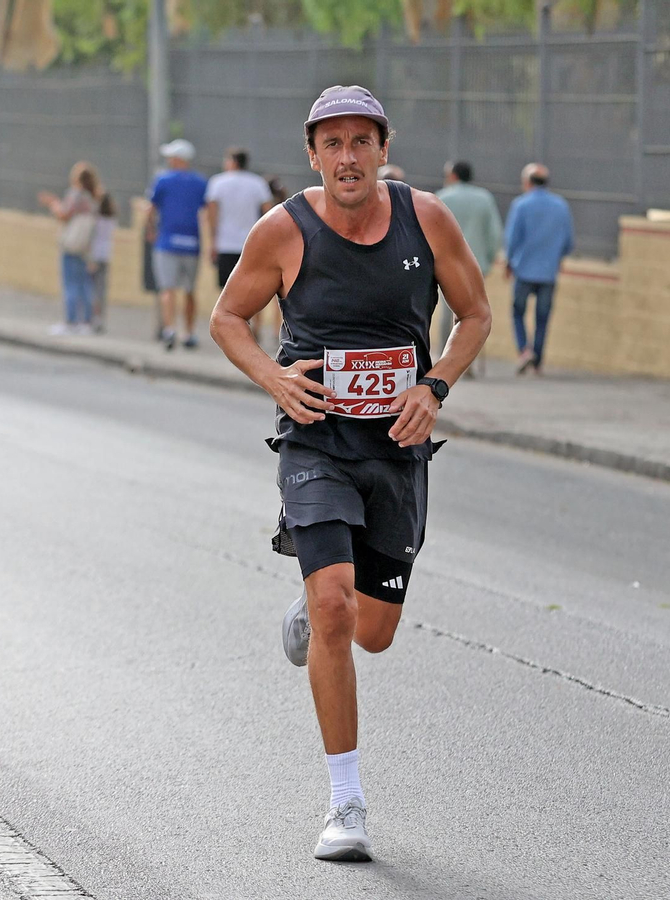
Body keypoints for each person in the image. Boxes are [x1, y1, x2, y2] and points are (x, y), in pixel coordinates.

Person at [208, 85, 491, 862]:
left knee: (374, 632)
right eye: (330, 144)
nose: (346, 158)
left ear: (382, 148)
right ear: (312, 155)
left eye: (359, 142)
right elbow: (227, 318)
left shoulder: (425, 218)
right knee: (335, 607)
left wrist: (434, 388)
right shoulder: (284, 229)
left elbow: (475, 315)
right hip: (317, 442)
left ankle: (314, 611)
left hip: (396, 448)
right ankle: (347, 805)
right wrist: (276, 379)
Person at [504, 162, 574, 376]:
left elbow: (512, 238)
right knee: (543, 318)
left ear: (527, 182)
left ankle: (524, 350)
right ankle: (538, 361)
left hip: (524, 269)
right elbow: (569, 241)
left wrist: (509, 262)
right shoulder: (561, 205)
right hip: (548, 272)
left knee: (518, 312)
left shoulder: (521, 205)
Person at [434, 160, 503, 369]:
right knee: (475, 311)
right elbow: (495, 233)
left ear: (453, 176)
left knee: (448, 310)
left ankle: (445, 359)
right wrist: (489, 259)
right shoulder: (484, 198)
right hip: (476, 262)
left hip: (444, 261)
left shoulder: (441, 197)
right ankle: (468, 361)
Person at [205, 147, 277, 343]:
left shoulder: (217, 182)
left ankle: (231, 331)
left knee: (228, 291)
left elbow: (212, 212)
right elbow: (269, 211)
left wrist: (213, 240)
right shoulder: (257, 183)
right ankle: (257, 328)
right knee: (256, 291)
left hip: (226, 244)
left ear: (232, 162)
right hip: (251, 244)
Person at [147, 139, 208, 350]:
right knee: (190, 290)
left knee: (167, 288)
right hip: (192, 242)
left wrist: (150, 230)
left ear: (178, 159)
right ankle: (189, 332)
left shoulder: (162, 180)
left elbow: (151, 208)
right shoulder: (200, 183)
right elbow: (205, 211)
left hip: (167, 241)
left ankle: (170, 329)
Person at [37, 162, 100, 335]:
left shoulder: (76, 195)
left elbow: (64, 215)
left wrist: (52, 203)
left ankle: (71, 321)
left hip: (72, 245)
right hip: (85, 247)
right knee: (85, 284)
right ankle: (87, 322)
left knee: (71, 284)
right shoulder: (92, 197)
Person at [89, 189, 116, 334]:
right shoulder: (111, 219)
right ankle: (100, 318)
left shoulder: (96, 219)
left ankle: (93, 317)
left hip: (94, 256)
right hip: (106, 256)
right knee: (101, 290)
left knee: (92, 289)